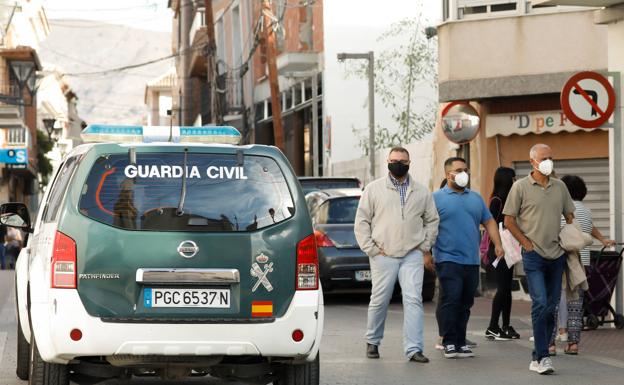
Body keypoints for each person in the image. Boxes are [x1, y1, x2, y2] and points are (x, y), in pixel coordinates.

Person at [355, 146, 439, 363]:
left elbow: (432, 220)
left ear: (409, 163)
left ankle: (414, 349)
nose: (398, 163)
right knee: (380, 300)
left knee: (413, 300)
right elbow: (362, 221)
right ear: (388, 162)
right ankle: (372, 341)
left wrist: (424, 246)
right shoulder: (373, 190)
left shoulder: (421, 191)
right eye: (394, 160)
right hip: (383, 255)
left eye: (402, 160)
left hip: (412, 254)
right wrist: (372, 249)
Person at [503, 143, 575, 375]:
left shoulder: (560, 186)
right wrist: (526, 244)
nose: (549, 162)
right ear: (532, 161)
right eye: (544, 158)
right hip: (533, 256)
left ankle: (540, 355)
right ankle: (542, 356)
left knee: (551, 305)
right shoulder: (520, 187)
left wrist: (569, 234)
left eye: (551, 157)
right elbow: (508, 220)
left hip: (557, 255)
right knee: (541, 303)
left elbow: (570, 216)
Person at [433, 157, 504, 359]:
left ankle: (461, 342)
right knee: (451, 299)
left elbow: (489, 221)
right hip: (447, 258)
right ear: (448, 174)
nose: (464, 173)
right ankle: (448, 342)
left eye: (466, 169)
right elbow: (426, 226)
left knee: (466, 302)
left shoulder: (475, 198)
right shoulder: (436, 198)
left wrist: (497, 244)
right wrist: (426, 252)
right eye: (459, 170)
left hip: (471, 260)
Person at [548, 175, 615, 355]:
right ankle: (573, 344)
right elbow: (590, 227)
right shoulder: (586, 211)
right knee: (576, 305)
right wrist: (602, 239)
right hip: (581, 264)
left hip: (560, 260)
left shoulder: (562, 208)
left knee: (552, 302)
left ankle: (550, 344)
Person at [485, 167, 521, 341]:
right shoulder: (497, 201)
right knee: (503, 288)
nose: (515, 181)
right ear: (507, 180)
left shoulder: (510, 200)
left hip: (508, 248)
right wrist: (498, 243)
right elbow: (490, 224)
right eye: (513, 178)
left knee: (507, 288)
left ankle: (505, 325)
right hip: (499, 249)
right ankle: (493, 326)